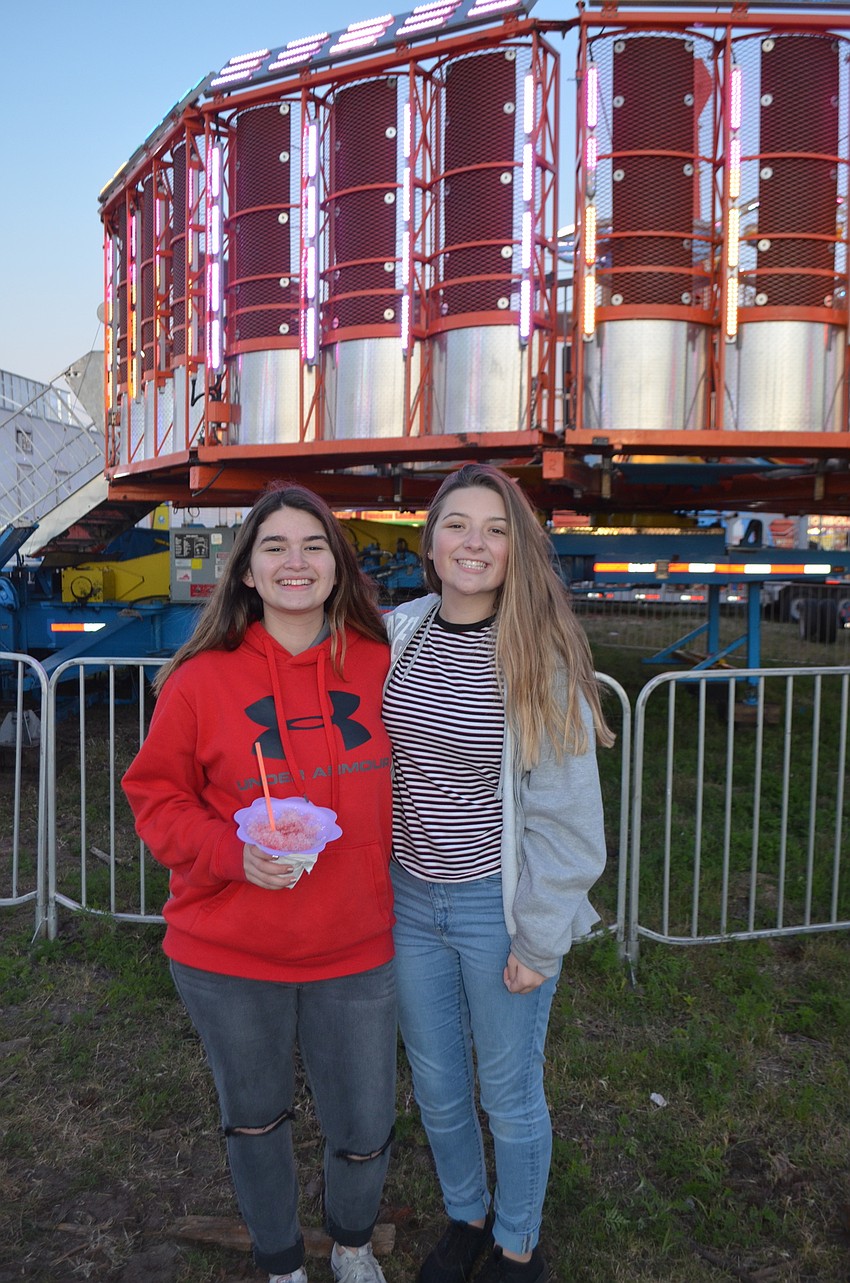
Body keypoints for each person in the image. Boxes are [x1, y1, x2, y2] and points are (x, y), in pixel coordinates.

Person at [122, 484, 396, 1283]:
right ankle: (280, 1262)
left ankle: (350, 1243)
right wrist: (230, 852)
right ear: (245, 570)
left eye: (313, 544)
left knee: (364, 1122)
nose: (295, 561)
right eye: (274, 546)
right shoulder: (201, 680)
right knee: (255, 1119)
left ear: (338, 565)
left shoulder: (381, 664)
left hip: (356, 944)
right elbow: (155, 796)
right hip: (229, 952)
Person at [382, 464, 614, 1283]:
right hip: (410, 900)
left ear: (517, 548)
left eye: (495, 527)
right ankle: (467, 1214)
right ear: (430, 544)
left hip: (497, 907)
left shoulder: (537, 654)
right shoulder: (397, 632)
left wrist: (540, 936)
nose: (474, 542)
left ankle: (519, 1242)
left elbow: (567, 818)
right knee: (439, 1087)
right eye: (457, 525)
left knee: (508, 1095)